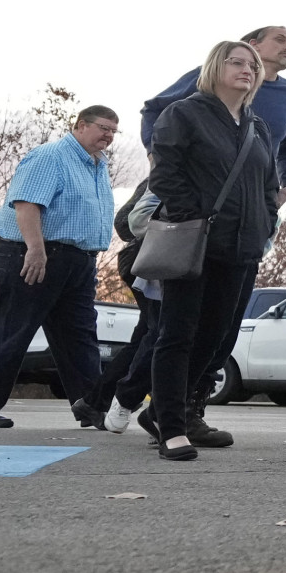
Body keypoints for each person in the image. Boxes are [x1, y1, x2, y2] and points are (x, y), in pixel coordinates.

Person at [145, 41, 282, 461]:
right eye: (236, 62)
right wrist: (195, 217)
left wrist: (265, 223)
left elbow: (268, 184)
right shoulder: (183, 113)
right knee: (178, 334)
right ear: (214, 68)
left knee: (217, 338)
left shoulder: (257, 127)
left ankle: (179, 410)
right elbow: (164, 174)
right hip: (195, 243)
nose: (247, 69)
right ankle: (170, 426)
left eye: (252, 64)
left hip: (242, 248)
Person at [0, 106, 121, 430]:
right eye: (103, 127)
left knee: (80, 336)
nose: (108, 135)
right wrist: (36, 250)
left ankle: (92, 407)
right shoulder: (51, 156)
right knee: (14, 331)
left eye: (114, 131)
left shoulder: (97, 165)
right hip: (35, 253)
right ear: (79, 125)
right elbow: (26, 204)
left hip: (78, 260)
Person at [142, 25, 286, 209]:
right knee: (142, 227)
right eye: (280, 39)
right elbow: (154, 109)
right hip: (190, 192)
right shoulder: (214, 75)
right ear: (254, 45)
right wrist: (154, 156)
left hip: (253, 201)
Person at [89, 178, 159, 433]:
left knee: (147, 335)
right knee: (159, 331)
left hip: (153, 260)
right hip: (149, 259)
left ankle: (97, 401)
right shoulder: (165, 172)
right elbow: (124, 222)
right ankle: (131, 400)